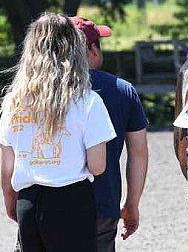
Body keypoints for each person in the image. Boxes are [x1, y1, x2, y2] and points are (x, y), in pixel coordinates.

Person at [0, 13, 116, 252]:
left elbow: (7, 167)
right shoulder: (88, 101)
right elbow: (97, 166)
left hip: (28, 201)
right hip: (71, 201)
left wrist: (12, 203)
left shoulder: (13, 102)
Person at [70, 16, 149, 252]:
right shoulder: (122, 90)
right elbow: (139, 152)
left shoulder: (40, 90)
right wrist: (131, 204)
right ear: (93, 49)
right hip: (102, 203)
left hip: (49, 203)